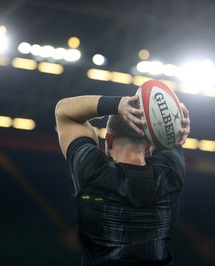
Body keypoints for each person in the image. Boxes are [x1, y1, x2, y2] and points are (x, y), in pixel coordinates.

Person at [55, 93, 190, 266]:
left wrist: (117, 104)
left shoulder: (92, 172)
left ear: (109, 140)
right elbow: (169, 137)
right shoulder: (171, 174)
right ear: (149, 145)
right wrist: (176, 123)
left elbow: (64, 111)